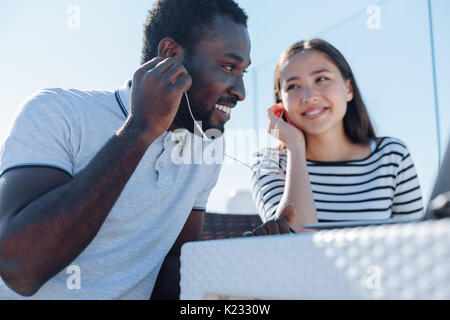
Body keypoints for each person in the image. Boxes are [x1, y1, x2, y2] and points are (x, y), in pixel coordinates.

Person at [0, 0, 251, 299]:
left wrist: (245, 256)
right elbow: (20, 270)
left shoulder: (207, 147)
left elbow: (173, 263)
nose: (241, 92)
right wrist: (140, 130)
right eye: (227, 67)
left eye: (243, 72)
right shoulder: (58, 111)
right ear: (171, 56)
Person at [248, 39, 424, 234]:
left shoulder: (392, 155)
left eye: (321, 79)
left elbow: (417, 241)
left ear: (348, 89)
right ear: (281, 104)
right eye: (293, 86)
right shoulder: (268, 162)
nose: (309, 96)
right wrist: (295, 145)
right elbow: (295, 241)